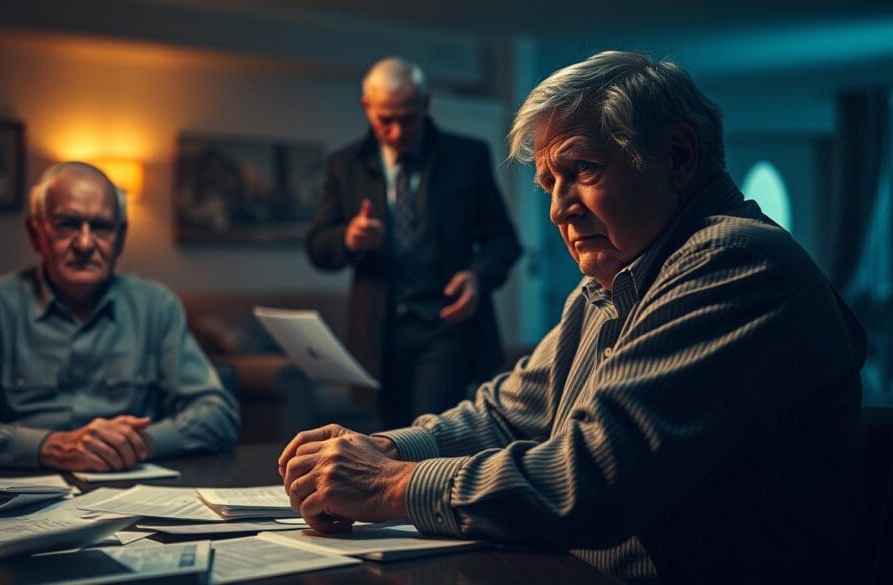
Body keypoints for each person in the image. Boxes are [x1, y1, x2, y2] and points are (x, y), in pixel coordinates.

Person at [279, 51, 866, 583]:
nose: (559, 209)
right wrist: (384, 448)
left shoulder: (735, 259)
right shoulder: (606, 284)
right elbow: (504, 415)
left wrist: (387, 484)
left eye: (582, 169)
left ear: (679, 156)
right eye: (548, 183)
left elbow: (591, 479)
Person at [0, 162, 240, 471]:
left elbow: (218, 416)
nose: (85, 243)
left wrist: (135, 443)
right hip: (21, 497)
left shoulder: (156, 305)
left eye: (101, 227)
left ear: (120, 237)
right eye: (67, 224)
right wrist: (51, 446)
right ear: (35, 232)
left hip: (132, 495)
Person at [305, 57, 521, 427]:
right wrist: (349, 238)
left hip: (446, 324)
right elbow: (317, 246)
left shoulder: (468, 156)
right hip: (377, 330)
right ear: (366, 107)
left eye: (406, 117)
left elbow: (504, 240)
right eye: (384, 119)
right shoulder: (344, 164)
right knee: (387, 437)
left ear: (426, 103)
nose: (395, 131)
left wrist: (478, 276)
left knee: (430, 435)